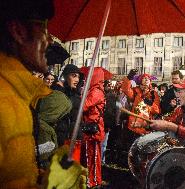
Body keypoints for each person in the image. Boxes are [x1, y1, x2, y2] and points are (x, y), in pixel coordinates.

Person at [0, 0, 85, 188]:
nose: (50, 40)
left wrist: (45, 178)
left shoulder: (20, 97)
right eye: (44, 29)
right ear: (18, 31)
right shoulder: (4, 102)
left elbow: (13, 174)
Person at [81, 67, 109, 188]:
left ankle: (94, 181)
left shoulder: (95, 92)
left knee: (93, 156)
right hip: (94, 127)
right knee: (93, 156)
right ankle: (95, 180)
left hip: (93, 129)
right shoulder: (96, 90)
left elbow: (84, 106)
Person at [121, 69, 161, 135]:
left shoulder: (154, 94)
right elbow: (126, 89)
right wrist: (129, 78)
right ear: (140, 80)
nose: (146, 79)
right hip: (133, 125)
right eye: (144, 78)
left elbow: (157, 111)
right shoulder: (135, 91)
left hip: (145, 126)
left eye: (148, 78)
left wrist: (150, 104)